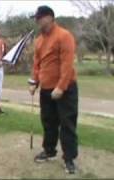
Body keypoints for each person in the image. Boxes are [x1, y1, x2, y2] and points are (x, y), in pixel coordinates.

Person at [29, 6, 78, 174]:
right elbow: (37, 64)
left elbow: (67, 64)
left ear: (50, 17)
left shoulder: (64, 36)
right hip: (46, 89)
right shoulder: (39, 40)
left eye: (40, 18)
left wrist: (61, 87)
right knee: (48, 122)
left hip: (65, 89)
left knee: (67, 124)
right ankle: (49, 151)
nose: (38, 21)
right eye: (36, 18)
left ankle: (69, 158)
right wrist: (34, 81)